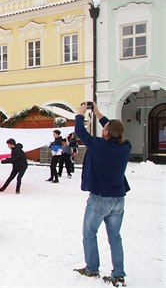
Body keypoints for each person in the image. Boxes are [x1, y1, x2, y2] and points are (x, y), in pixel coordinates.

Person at [73, 102, 131, 287]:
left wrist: (80, 114)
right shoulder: (126, 146)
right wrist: (97, 113)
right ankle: (119, 274)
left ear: (105, 133)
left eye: (104, 128)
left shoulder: (99, 146)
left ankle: (92, 269)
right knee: (115, 237)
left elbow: (80, 133)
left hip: (100, 199)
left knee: (89, 234)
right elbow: (112, 129)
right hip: (118, 199)